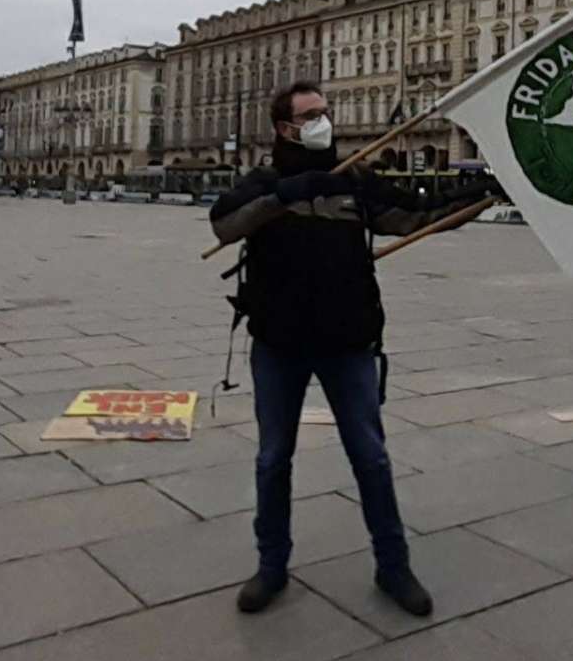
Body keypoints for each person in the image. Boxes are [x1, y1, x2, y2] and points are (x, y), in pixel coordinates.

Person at [209, 82, 495, 617]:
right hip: (278, 344)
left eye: (325, 112)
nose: (324, 121)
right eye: (311, 115)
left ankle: (393, 566)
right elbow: (225, 222)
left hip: (348, 342)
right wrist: (287, 194)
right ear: (284, 128)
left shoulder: (357, 179)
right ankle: (271, 566)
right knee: (274, 458)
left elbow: (415, 213)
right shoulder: (265, 180)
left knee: (371, 456)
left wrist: (480, 196)